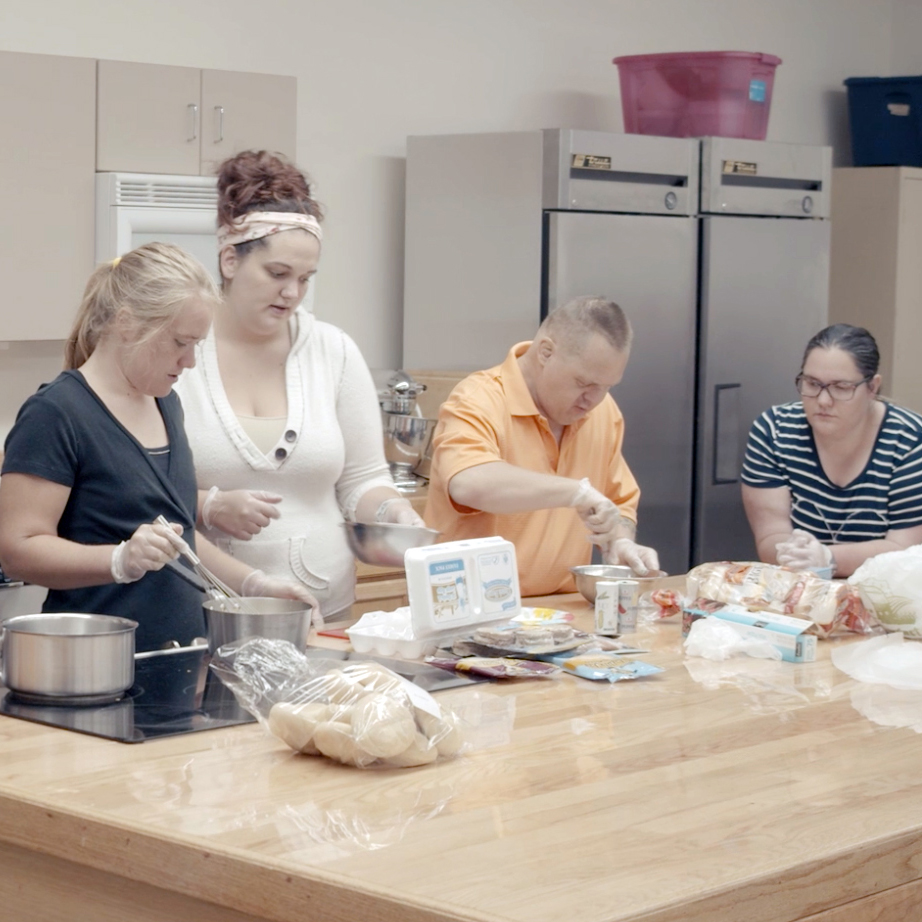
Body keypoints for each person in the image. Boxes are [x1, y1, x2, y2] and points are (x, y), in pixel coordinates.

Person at [0, 243, 317, 653]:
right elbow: (18, 550)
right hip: (94, 660)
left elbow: (177, 539)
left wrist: (255, 585)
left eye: (197, 345)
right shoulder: (57, 414)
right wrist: (118, 561)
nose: (189, 362)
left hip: (181, 655)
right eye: (180, 342)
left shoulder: (166, 402)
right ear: (128, 324)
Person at [174, 150, 422, 621]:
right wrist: (209, 505)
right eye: (278, 274)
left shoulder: (334, 352)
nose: (292, 293)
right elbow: (138, 490)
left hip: (324, 616)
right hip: (205, 612)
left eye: (306, 279)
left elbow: (363, 480)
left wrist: (392, 512)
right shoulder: (180, 352)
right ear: (230, 260)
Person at [424, 296, 660, 597]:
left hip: (562, 614)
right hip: (469, 613)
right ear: (546, 352)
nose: (594, 400)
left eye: (607, 387)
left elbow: (619, 502)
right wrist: (574, 492)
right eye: (583, 383)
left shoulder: (603, 412)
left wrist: (619, 539)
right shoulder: (477, 400)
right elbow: (468, 483)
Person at [741, 323, 922, 577]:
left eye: (841, 387)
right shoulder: (775, 430)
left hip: (885, 595)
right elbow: (771, 533)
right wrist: (791, 553)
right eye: (812, 384)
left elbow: (905, 550)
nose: (823, 401)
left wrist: (829, 557)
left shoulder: (911, 441)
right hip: (799, 590)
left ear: (873, 387)